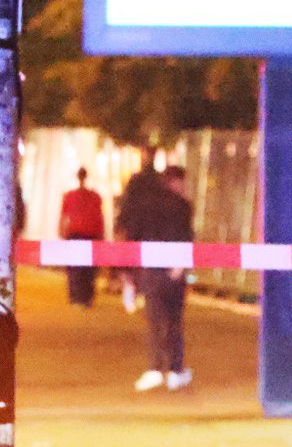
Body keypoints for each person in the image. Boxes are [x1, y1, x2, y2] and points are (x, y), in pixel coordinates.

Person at [116, 165, 195, 392]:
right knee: (174, 321)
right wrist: (180, 266)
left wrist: (128, 276)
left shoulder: (144, 208)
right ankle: (175, 371)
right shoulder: (183, 206)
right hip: (174, 270)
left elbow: (133, 237)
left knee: (155, 320)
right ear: (175, 183)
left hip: (150, 270)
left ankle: (155, 368)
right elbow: (186, 237)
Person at [58, 167, 105, 307]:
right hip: (91, 234)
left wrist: (62, 231)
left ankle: (75, 296)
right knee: (89, 268)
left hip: (75, 234)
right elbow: (99, 217)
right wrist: (101, 235)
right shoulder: (95, 197)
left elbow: (64, 216)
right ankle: (87, 297)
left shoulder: (69, 196)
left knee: (74, 267)